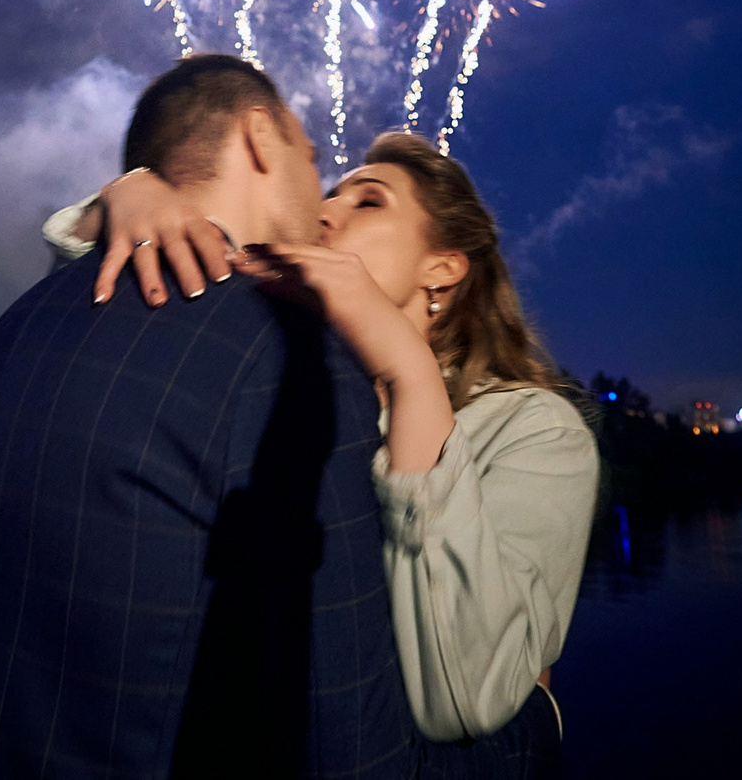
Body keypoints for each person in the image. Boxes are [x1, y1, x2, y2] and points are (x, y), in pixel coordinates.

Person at [0, 55, 416, 780]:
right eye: (310, 157)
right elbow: (350, 743)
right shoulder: (291, 355)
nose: (321, 193)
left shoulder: (3, 338)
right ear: (262, 135)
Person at [47, 131, 597, 776]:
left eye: (368, 202)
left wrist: (411, 376)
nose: (326, 211)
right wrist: (125, 195)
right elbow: (122, 327)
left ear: (442, 268)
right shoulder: (290, 378)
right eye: (329, 194)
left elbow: (464, 698)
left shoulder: (534, 430)